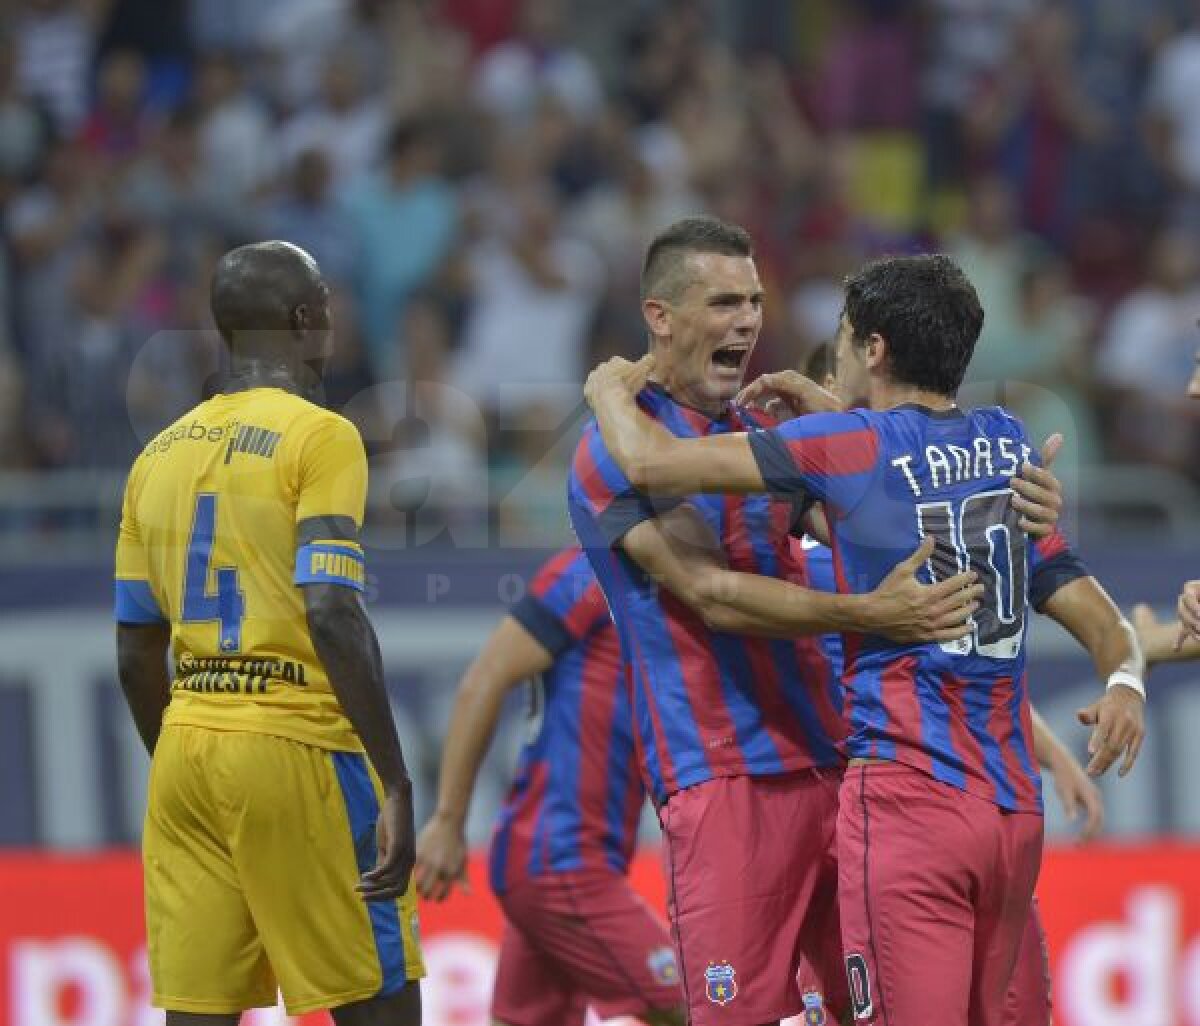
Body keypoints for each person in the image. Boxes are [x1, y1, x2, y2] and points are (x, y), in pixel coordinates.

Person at [583, 251, 1146, 1026]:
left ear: (874, 349)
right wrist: (1126, 683)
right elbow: (1094, 612)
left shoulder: (844, 449)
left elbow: (652, 463)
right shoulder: (1009, 445)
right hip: (1012, 810)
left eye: (846, 336)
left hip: (907, 800)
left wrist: (605, 392)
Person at [114, 241, 423, 1025]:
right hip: (297, 743)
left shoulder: (155, 457)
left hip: (185, 753)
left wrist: (190, 752)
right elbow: (329, 609)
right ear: (306, 318)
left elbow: (135, 649)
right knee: (379, 1002)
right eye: (328, 303)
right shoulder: (321, 436)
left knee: (199, 1012)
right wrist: (394, 779)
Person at [414, 546, 685, 1026]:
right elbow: (484, 676)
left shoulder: (662, 579)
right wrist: (449, 820)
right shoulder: (592, 570)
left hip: (557, 860)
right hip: (562, 860)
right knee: (695, 1007)